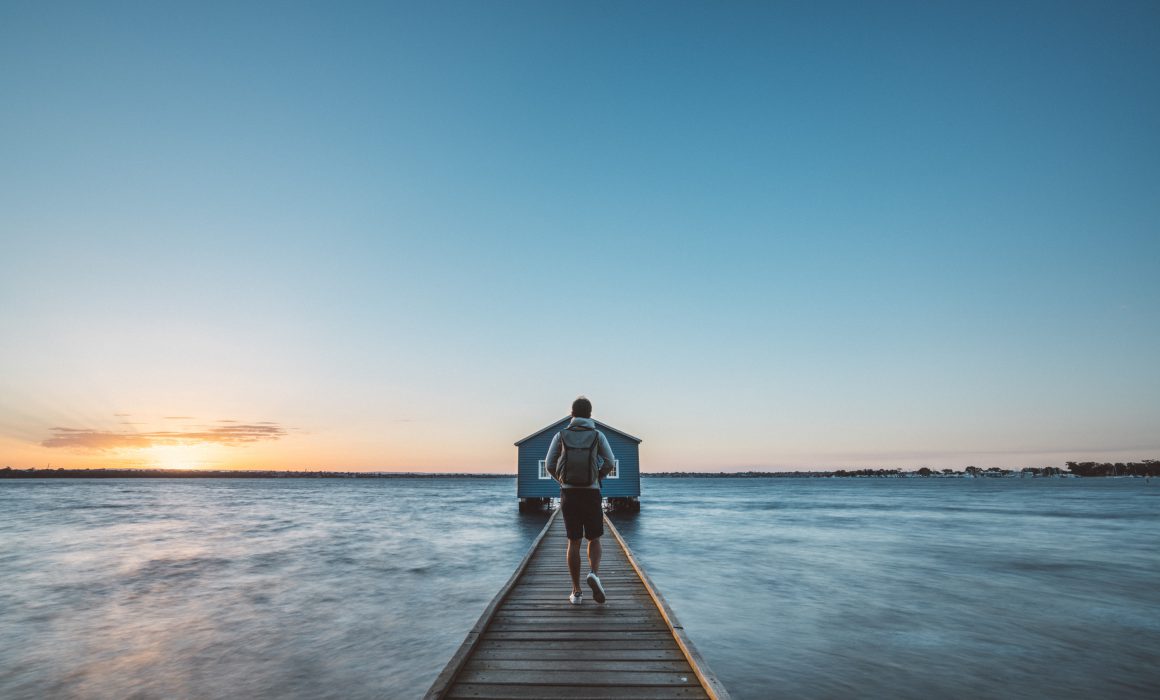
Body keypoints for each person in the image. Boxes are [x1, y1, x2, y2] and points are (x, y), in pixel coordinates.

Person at [544, 395, 617, 605]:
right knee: (594, 538)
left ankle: (576, 592)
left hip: (569, 494)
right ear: (590, 414)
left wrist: (562, 481)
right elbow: (610, 462)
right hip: (591, 492)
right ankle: (593, 573)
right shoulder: (597, 435)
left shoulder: (561, 435)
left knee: (573, 541)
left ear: (572, 414)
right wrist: (597, 476)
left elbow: (549, 463)